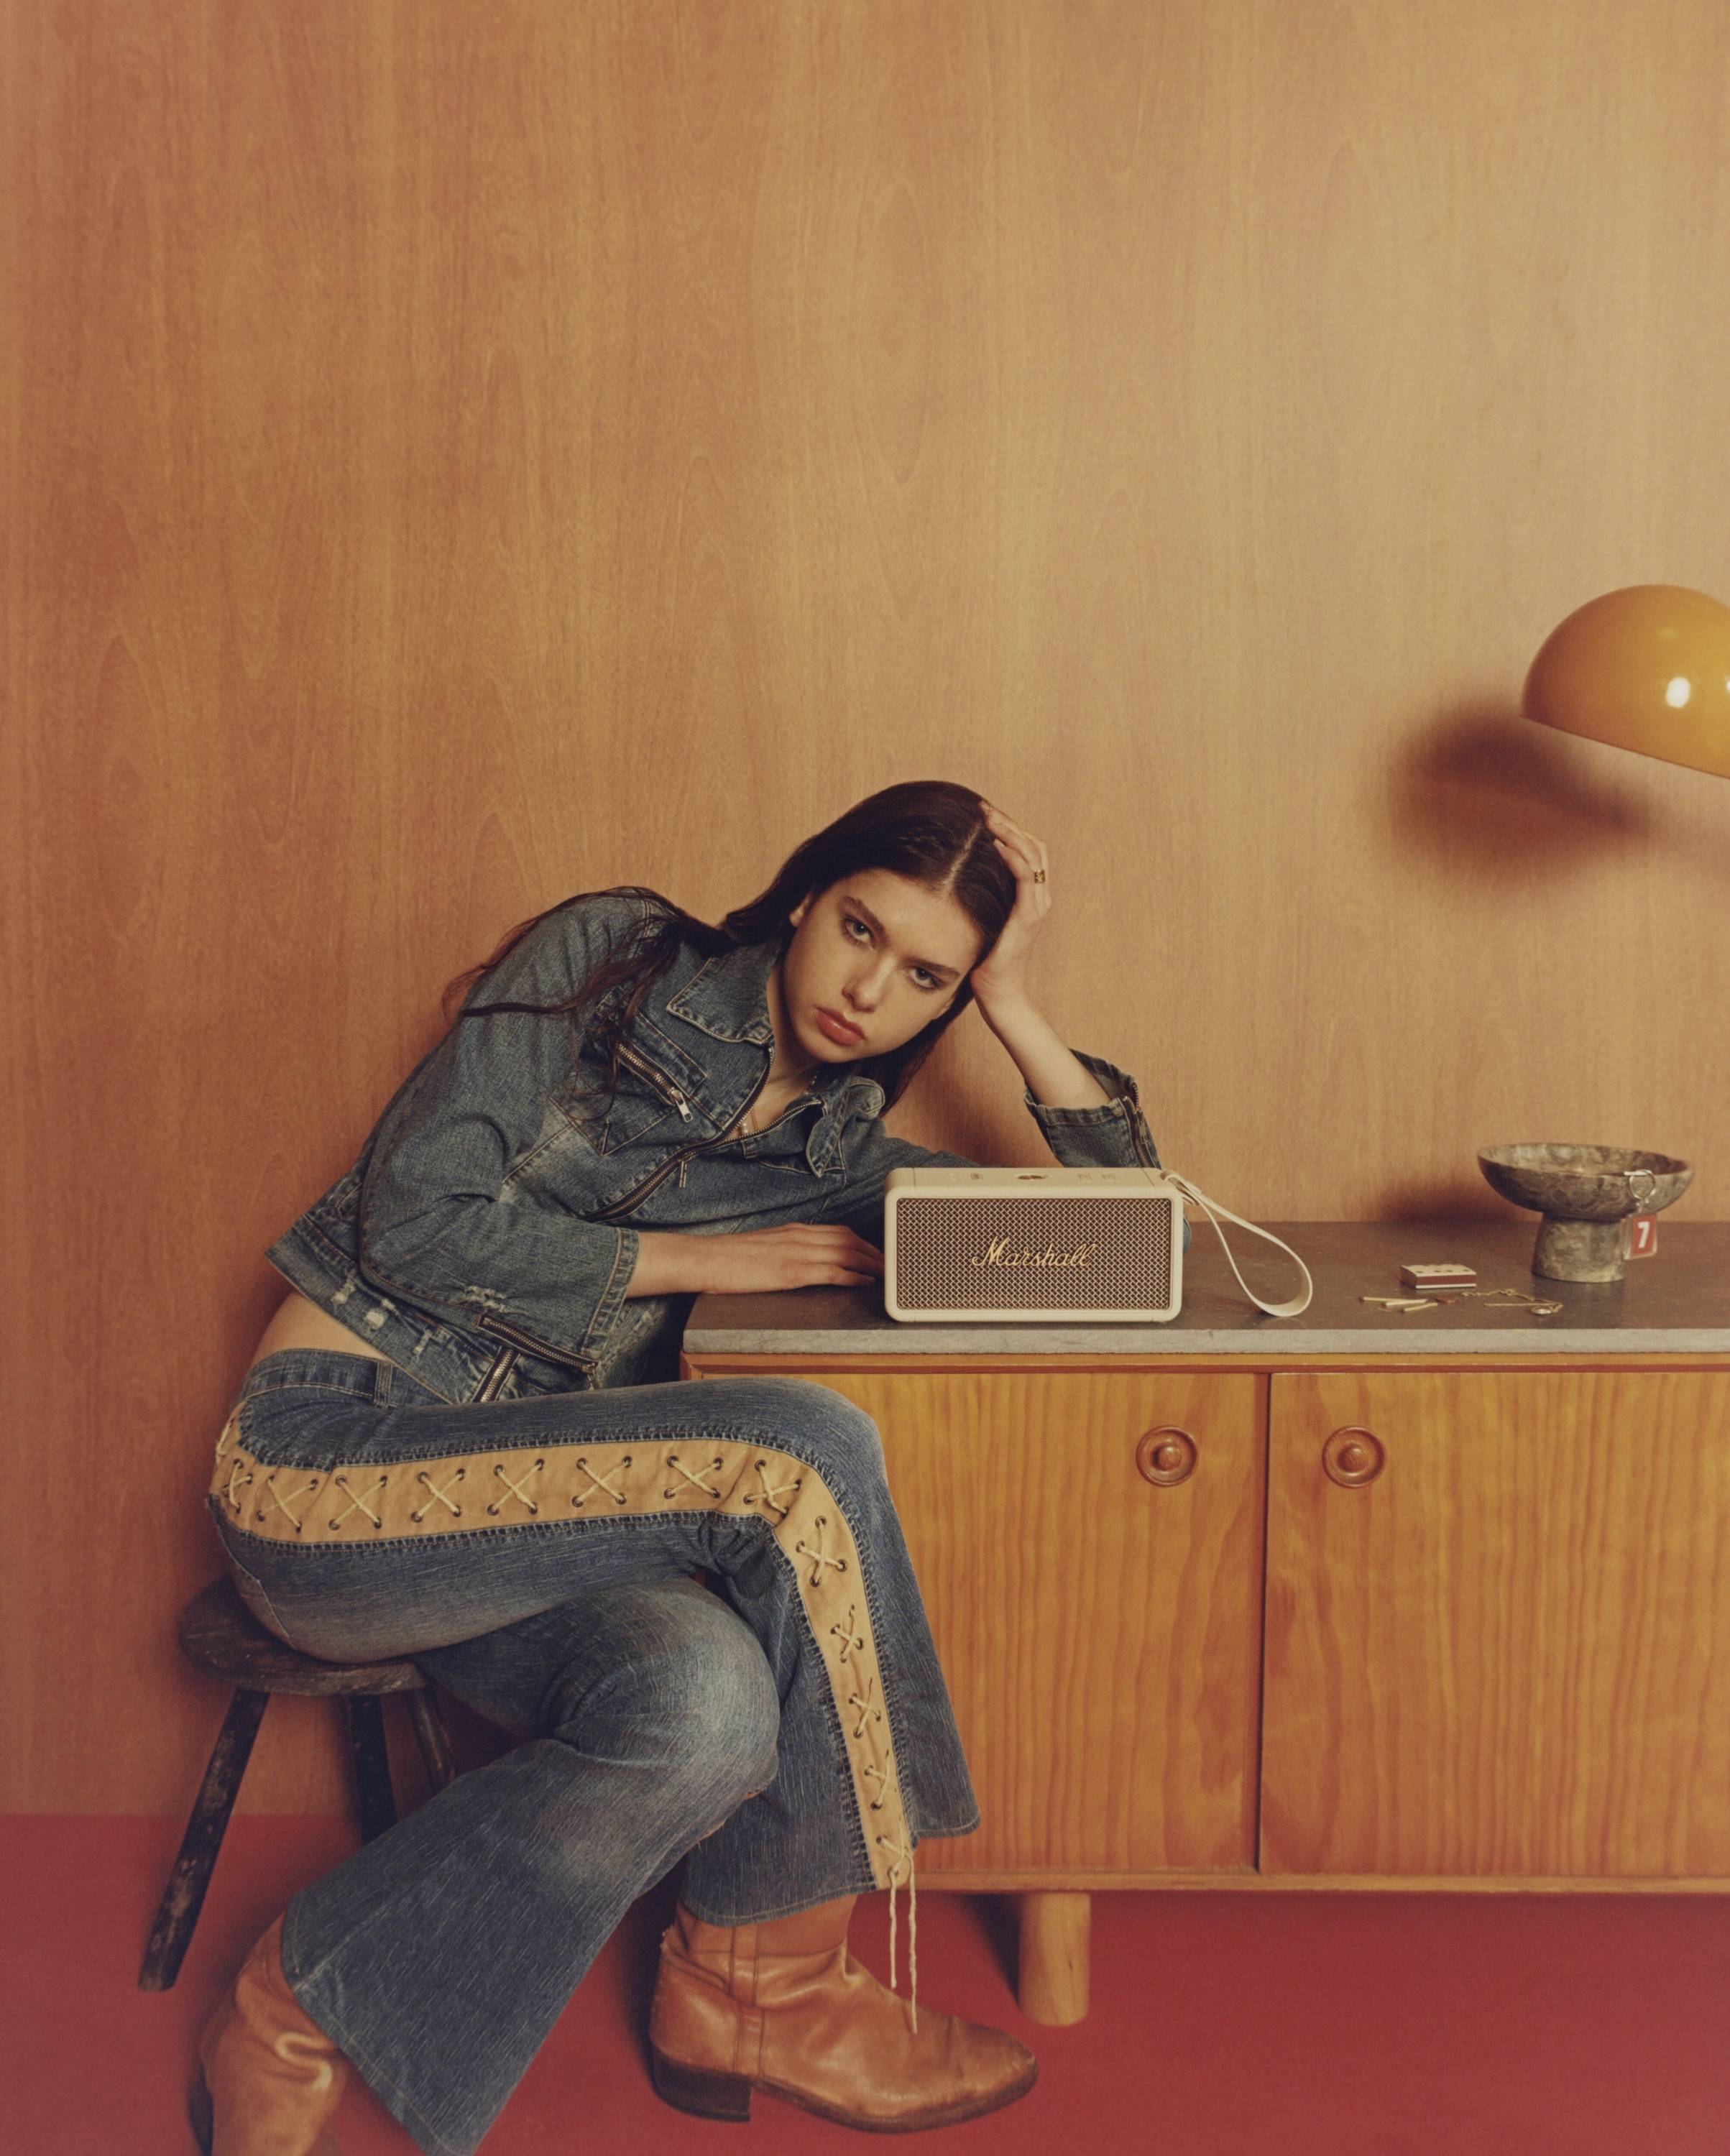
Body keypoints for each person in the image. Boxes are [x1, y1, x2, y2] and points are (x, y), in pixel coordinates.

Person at [192, 779, 1183, 2156]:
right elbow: (409, 1220)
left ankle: (316, 1989)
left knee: (710, 1709)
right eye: (856, 928)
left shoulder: (836, 1155)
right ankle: (794, 1977)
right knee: (804, 1446)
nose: (867, 992)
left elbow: (1127, 1235)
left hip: (535, 1545)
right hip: (330, 1462)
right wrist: (701, 1264)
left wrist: (1016, 1002)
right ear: (802, 896)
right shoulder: (614, 956)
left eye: (925, 978)